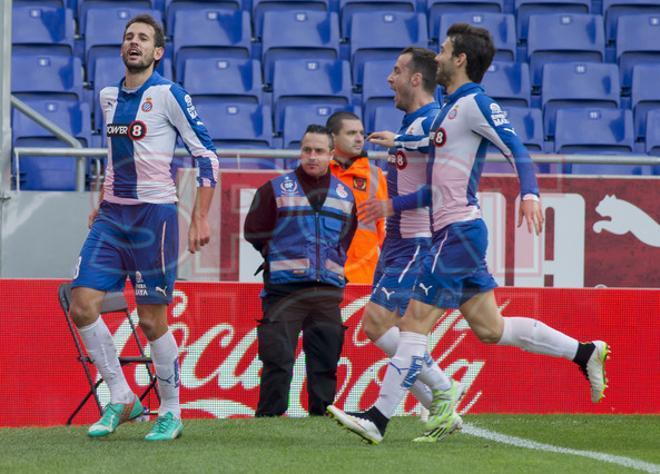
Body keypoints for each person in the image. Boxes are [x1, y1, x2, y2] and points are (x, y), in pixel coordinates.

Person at [327, 24, 610, 444]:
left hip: (456, 231)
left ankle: (378, 418)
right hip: (456, 233)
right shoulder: (449, 109)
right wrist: (403, 140)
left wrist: (529, 194)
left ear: (460, 59)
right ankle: (584, 352)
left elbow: (516, 148)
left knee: (413, 324)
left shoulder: (477, 103)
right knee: (490, 328)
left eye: (443, 51)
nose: (436, 57)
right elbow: (439, 153)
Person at [68, 14, 219, 441]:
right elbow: (115, 156)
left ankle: (171, 410)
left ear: (157, 52)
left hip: (155, 219)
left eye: (143, 38)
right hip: (113, 217)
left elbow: (207, 156)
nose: (133, 42)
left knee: (153, 321)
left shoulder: (170, 95)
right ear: (121, 48)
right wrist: (100, 202)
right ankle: (121, 396)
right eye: (128, 37)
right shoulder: (108, 96)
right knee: (82, 304)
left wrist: (201, 215)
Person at [341, 47, 460, 439]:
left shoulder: (432, 124)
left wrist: (390, 205)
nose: (389, 79)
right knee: (377, 327)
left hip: (416, 242)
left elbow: (440, 189)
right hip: (396, 243)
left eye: (396, 71)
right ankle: (440, 397)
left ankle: (425, 399)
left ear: (415, 79)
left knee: (380, 323)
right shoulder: (413, 126)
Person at [244, 125, 358, 417]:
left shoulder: (346, 195)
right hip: (283, 290)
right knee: (277, 360)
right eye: (307, 150)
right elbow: (254, 231)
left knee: (326, 361)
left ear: (331, 154)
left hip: (327, 291)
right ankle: (269, 421)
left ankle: (321, 420)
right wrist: (278, 256)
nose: (312, 156)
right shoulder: (274, 189)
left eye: (319, 151)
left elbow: (347, 236)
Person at [327, 112, 387, 284]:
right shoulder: (319, 173)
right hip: (325, 275)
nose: (360, 138)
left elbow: (383, 227)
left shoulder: (375, 175)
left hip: (363, 276)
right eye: (351, 133)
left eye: (361, 133)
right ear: (333, 137)